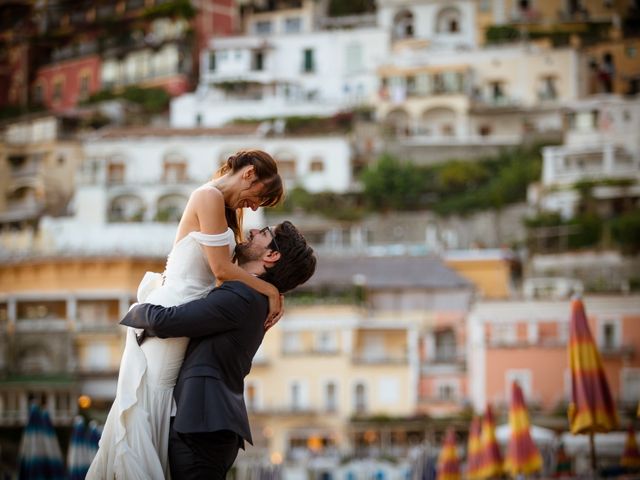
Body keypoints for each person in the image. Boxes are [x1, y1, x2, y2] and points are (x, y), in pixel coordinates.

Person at [88, 150, 284, 479]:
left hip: (186, 313)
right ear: (248, 174)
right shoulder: (207, 196)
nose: (253, 208)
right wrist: (270, 291)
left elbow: (230, 271)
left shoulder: (223, 209)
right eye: (258, 197)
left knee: (160, 408)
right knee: (150, 405)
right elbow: (222, 271)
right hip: (174, 308)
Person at [120, 221, 316, 479]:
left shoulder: (242, 296)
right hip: (209, 423)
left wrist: (138, 308)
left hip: (203, 424)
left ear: (272, 255)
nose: (252, 232)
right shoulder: (252, 297)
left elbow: (166, 322)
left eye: (263, 232)